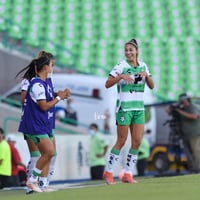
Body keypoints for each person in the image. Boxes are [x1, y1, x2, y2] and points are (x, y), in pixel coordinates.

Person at [103, 38, 154, 184]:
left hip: (138, 108)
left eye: (131, 50)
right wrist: (120, 76)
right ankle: (109, 171)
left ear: (137, 51)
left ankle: (127, 172)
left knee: (137, 142)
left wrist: (146, 76)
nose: (128, 52)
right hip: (124, 108)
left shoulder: (143, 66)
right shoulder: (121, 66)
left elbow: (152, 86)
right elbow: (107, 84)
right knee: (121, 140)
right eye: (126, 50)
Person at [17, 55, 70, 193]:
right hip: (34, 124)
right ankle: (32, 182)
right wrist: (59, 97)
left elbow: (46, 99)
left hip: (41, 123)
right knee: (47, 152)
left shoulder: (42, 83)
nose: (52, 68)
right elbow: (44, 106)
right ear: (45, 67)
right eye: (52, 65)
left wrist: (60, 94)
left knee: (48, 153)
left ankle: (39, 183)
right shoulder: (37, 84)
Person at [166, 93, 200, 172]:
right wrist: (172, 108)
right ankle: (193, 169)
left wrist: (180, 111)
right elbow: (168, 111)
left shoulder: (192, 107)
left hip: (195, 134)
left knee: (196, 152)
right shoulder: (181, 108)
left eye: (184, 100)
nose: (182, 102)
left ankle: (199, 169)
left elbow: (194, 116)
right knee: (188, 154)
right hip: (185, 135)